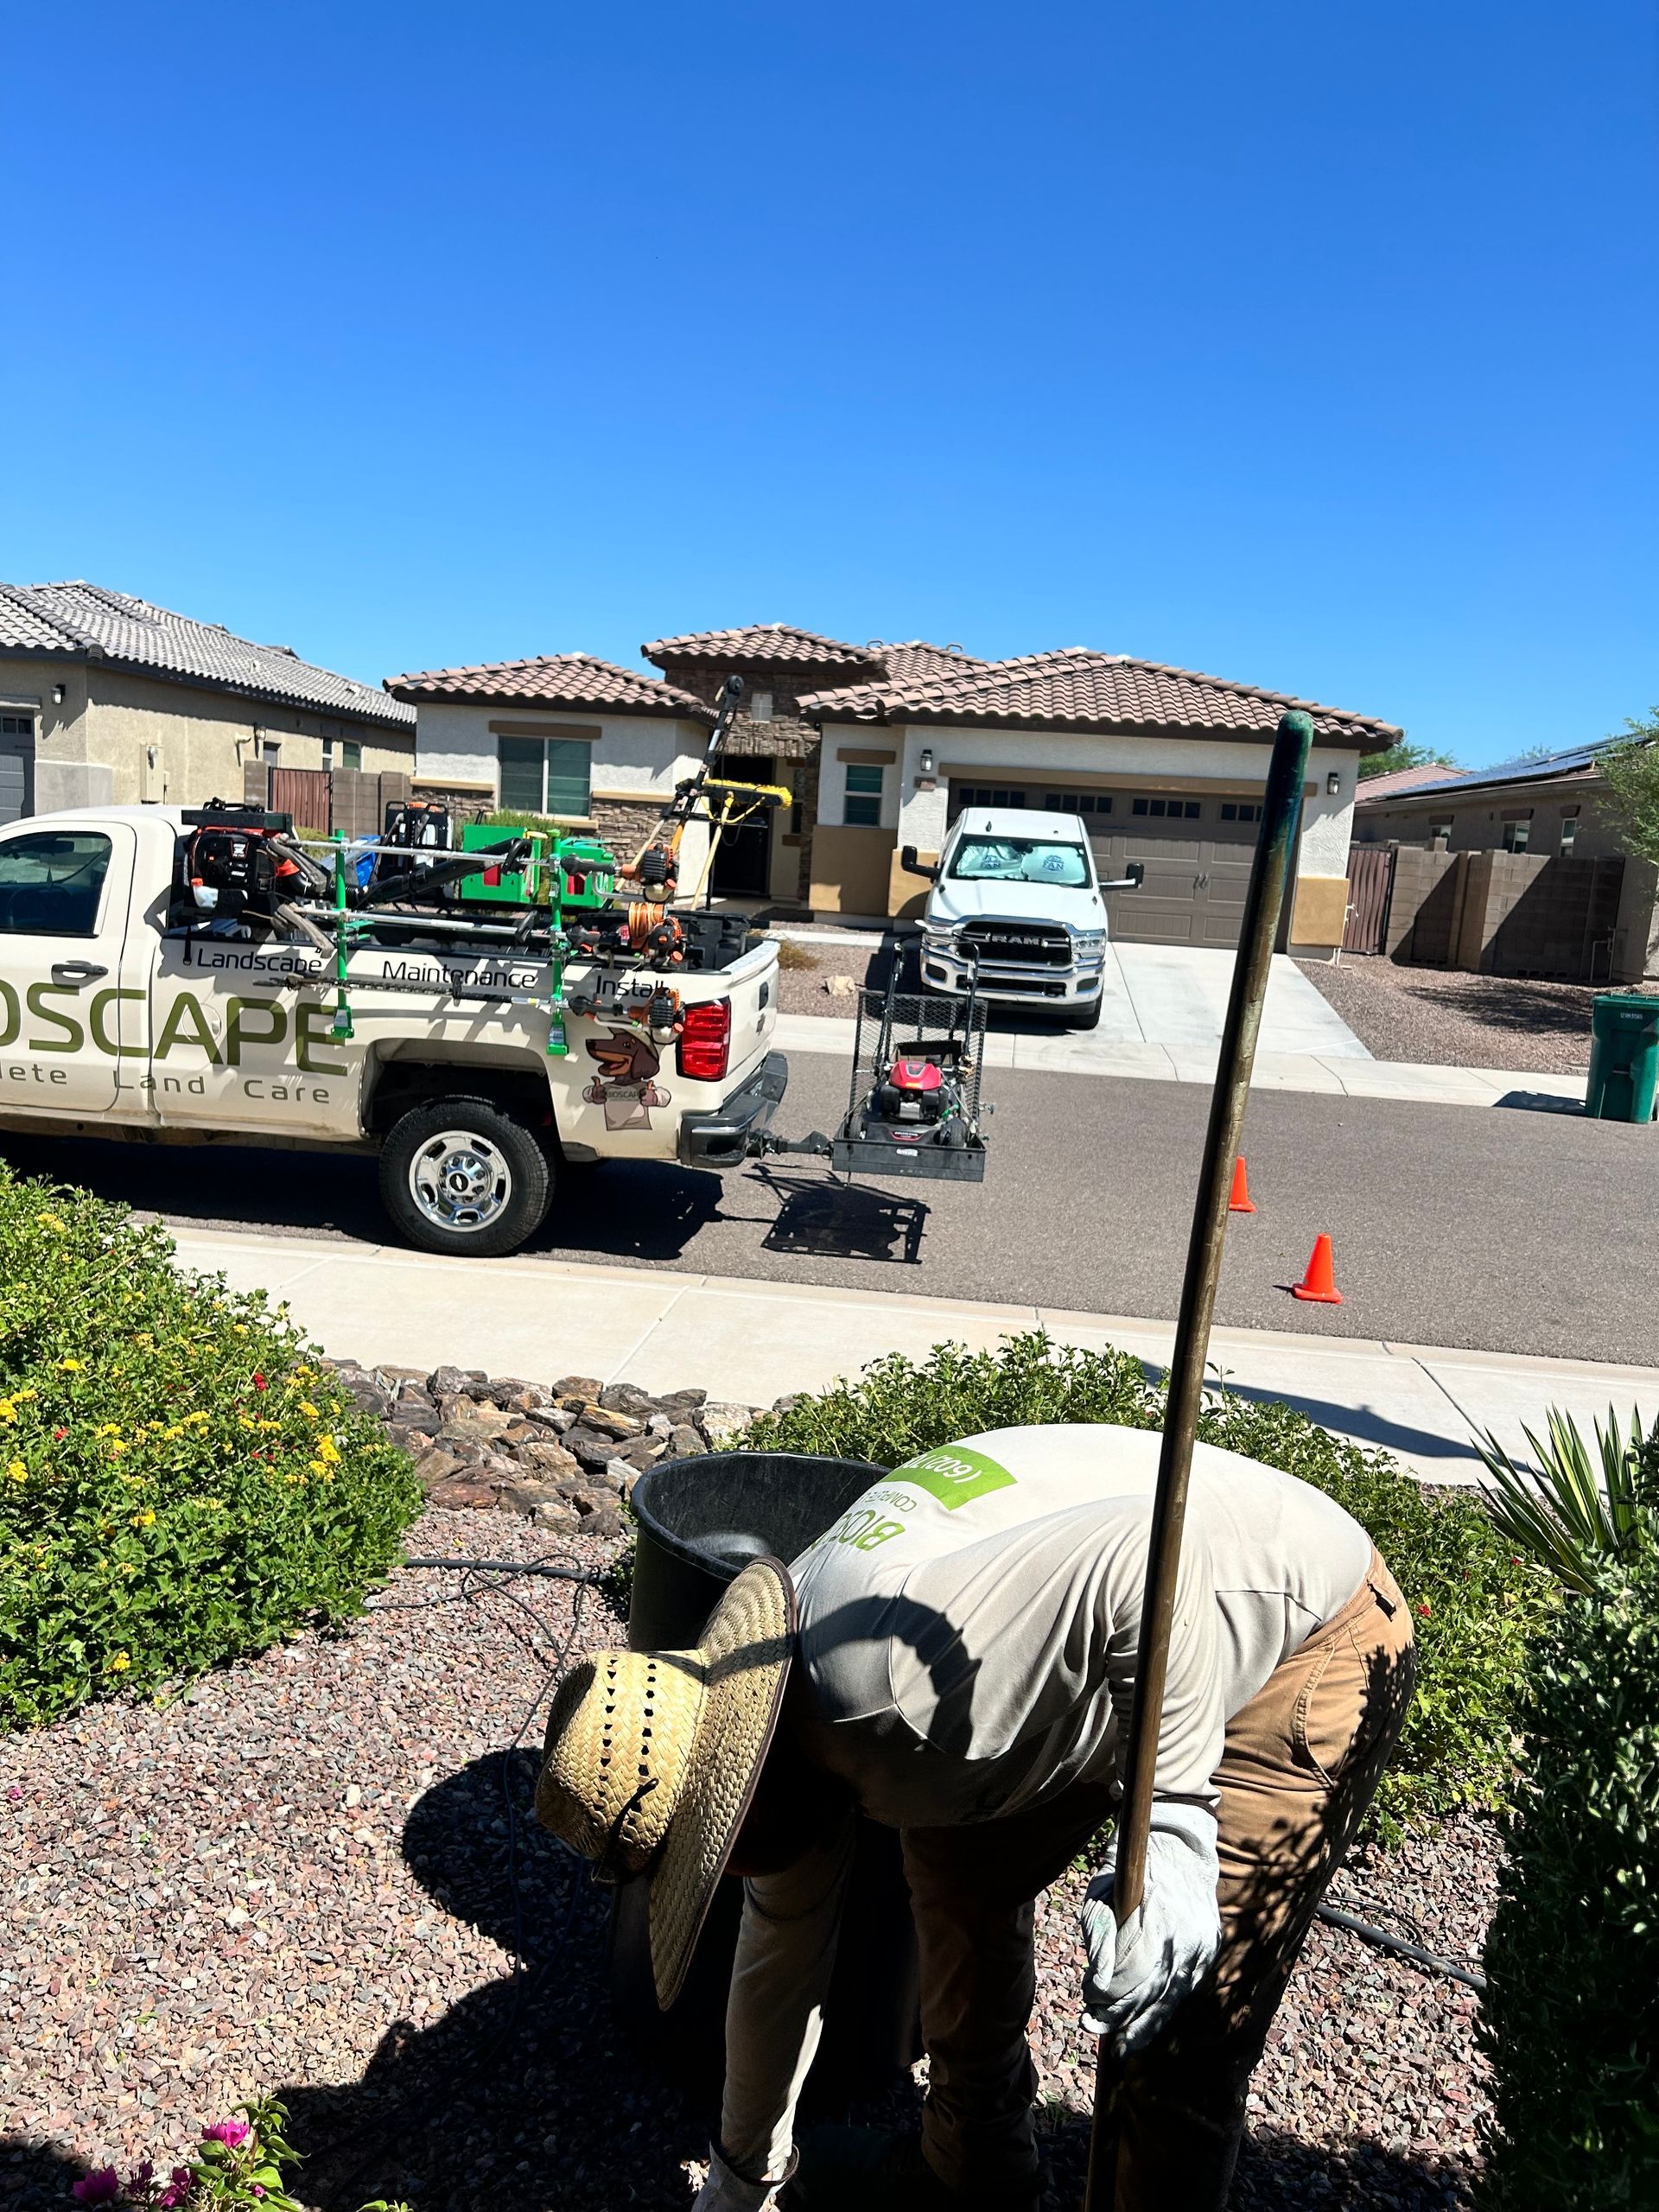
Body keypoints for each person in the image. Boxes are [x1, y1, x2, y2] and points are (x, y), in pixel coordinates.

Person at [536, 1424, 1417, 2211]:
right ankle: (973, 2168)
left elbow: (1149, 1557)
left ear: (743, 1780)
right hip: (1107, 1643)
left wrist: (1180, 1820)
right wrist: (742, 2179)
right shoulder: (769, 1728)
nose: (723, 1872)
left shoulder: (885, 1680)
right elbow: (778, 1965)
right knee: (957, 1885)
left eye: (713, 1849)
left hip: (1284, 1620)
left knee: (1177, 2025)